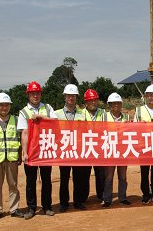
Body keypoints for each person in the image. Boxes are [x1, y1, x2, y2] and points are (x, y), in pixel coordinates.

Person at [18, 81, 58, 220]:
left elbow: (55, 122)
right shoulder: (24, 112)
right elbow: (24, 133)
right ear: (28, 95)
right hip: (32, 151)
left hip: (46, 149)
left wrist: (41, 117)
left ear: (41, 94)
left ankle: (47, 206)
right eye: (32, 93)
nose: (35, 95)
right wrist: (24, 152)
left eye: (38, 93)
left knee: (46, 180)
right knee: (31, 181)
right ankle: (31, 208)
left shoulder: (47, 108)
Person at [0, 93, 23, 221]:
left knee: (13, 184)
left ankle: (14, 209)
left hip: (12, 157)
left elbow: (19, 138)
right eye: (1, 105)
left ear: (10, 106)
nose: (4, 107)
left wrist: (20, 155)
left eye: (6, 105)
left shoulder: (16, 120)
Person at [55, 84, 89, 212]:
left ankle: (78, 202)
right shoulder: (56, 114)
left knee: (78, 178)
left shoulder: (83, 113)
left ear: (76, 97)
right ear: (65, 97)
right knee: (64, 178)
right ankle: (64, 203)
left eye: (73, 96)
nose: (71, 98)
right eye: (69, 96)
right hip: (63, 151)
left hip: (78, 150)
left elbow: (88, 129)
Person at [98, 93, 132, 208]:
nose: (116, 105)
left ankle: (122, 198)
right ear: (110, 105)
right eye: (114, 103)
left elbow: (131, 132)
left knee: (123, 177)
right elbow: (99, 132)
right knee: (108, 177)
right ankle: (107, 199)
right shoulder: (104, 117)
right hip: (109, 151)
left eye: (118, 103)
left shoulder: (127, 118)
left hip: (123, 151)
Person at [83, 89, 105, 202]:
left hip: (100, 148)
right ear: (86, 103)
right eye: (90, 101)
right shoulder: (81, 114)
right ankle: (83, 197)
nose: (93, 103)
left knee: (101, 174)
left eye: (95, 100)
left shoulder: (103, 113)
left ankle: (101, 195)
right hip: (86, 148)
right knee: (84, 174)